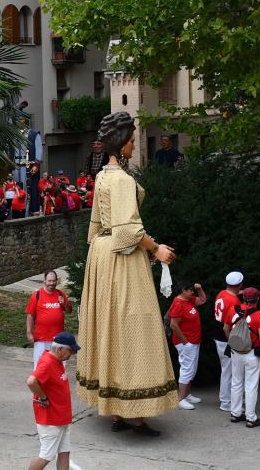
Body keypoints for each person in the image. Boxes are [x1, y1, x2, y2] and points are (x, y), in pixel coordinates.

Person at [76, 111, 178, 436]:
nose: (134, 146)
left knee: (112, 328)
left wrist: (97, 258)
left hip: (102, 257)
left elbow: (95, 227)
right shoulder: (119, 179)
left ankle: (118, 409)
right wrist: (156, 248)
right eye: (133, 141)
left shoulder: (103, 175)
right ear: (122, 143)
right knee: (135, 326)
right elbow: (127, 230)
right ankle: (134, 413)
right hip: (121, 257)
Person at [27, 332, 79, 470]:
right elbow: (32, 382)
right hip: (51, 419)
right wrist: (43, 397)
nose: (73, 354)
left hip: (61, 417)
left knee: (64, 452)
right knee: (46, 456)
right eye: (71, 350)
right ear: (60, 349)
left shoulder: (57, 360)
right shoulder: (47, 363)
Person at [228, 287, 260, 427]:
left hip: (235, 352)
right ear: (257, 299)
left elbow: (225, 328)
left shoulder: (232, 309)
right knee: (251, 386)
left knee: (236, 382)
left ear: (243, 298)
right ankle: (251, 418)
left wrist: (233, 343)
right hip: (252, 353)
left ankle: (235, 413)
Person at [167, 282, 207, 410]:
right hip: (186, 343)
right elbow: (174, 325)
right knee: (186, 369)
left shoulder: (189, 300)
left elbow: (202, 300)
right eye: (190, 290)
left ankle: (187, 394)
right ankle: (181, 399)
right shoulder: (178, 304)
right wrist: (185, 342)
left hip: (193, 341)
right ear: (183, 290)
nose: (193, 292)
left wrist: (199, 289)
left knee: (192, 369)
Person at [26, 271, 73, 369]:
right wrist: (29, 333)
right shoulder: (36, 295)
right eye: (49, 281)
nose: (51, 283)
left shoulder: (61, 294)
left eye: (54, 281)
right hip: (41, 339)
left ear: (57, 281)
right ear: (44, 281)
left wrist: (64, 304)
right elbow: (30, 315)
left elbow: (69, 311)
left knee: (58, 368)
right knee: (40, 368)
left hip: (58, 339)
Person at [214, 271, 244, 412]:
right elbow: (233, 324)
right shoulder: (235, 302)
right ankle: (226, 402)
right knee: (230, 372)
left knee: (226, 370)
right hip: (227, 337)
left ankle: (227, 400)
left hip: (218, 334)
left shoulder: (221, 293)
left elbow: (228, 300)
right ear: (239, 284)